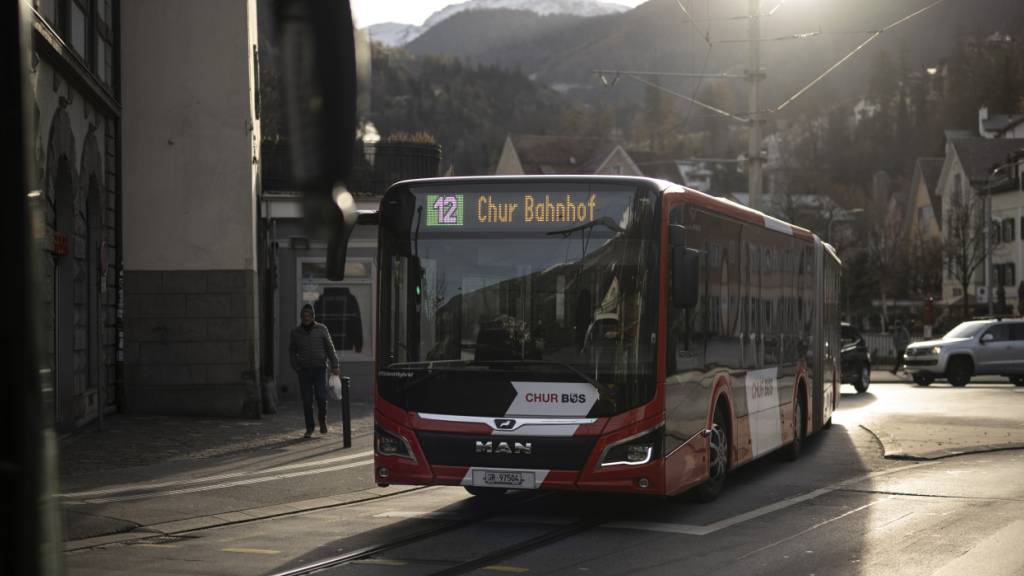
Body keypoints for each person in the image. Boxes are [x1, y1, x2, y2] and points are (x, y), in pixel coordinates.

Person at [289, 304, 340, 438]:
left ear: (313, 316)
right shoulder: (296, 333)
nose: (306, 318)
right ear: (301, 317)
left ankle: (322, 419)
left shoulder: (322, 329)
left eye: (309, 315)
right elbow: (292, 352)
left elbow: (330, 348)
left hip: (320, 368)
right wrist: (296, 366)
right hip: (304, 370)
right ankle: (309, 428)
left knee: (321, 397)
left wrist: (335, 364)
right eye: (304, 316)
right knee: (307, 400)